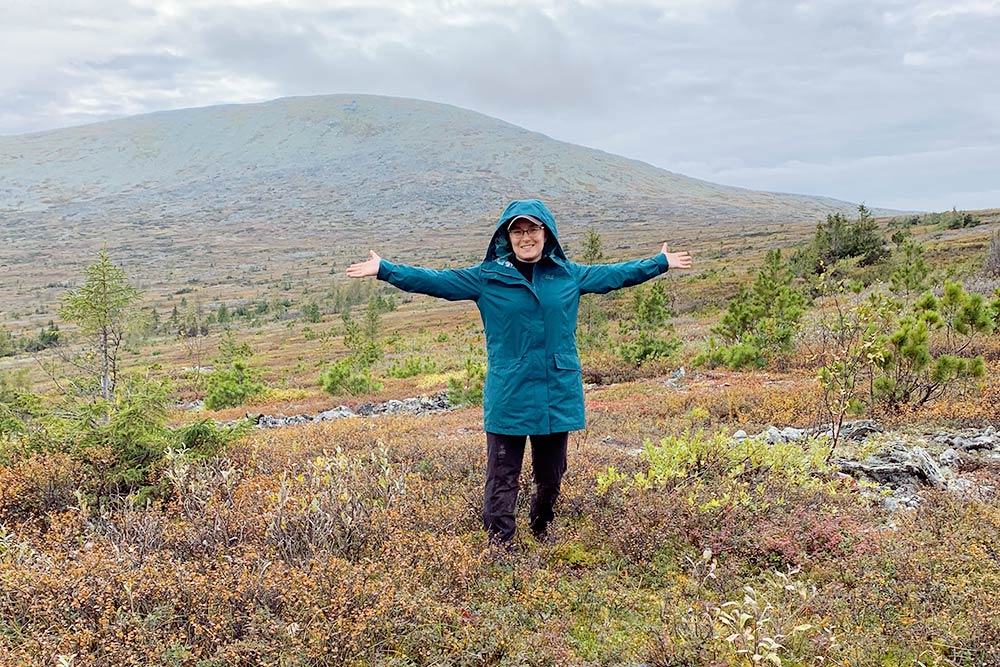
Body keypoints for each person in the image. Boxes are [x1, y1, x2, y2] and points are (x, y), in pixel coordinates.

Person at [346, 199, 692, 546]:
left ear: (546, 233)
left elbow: (617, 274)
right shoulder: (486, 278)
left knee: (552, 475)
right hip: (509, 392)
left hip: (556, 391)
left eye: (532, 230)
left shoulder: (569, 275)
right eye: (518, 231)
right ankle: (501, 544)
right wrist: (385, 269)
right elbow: (435, 281)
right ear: (507, 237)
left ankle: (542, 529)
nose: (526, 237)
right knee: (502, 476)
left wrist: (659, 263)